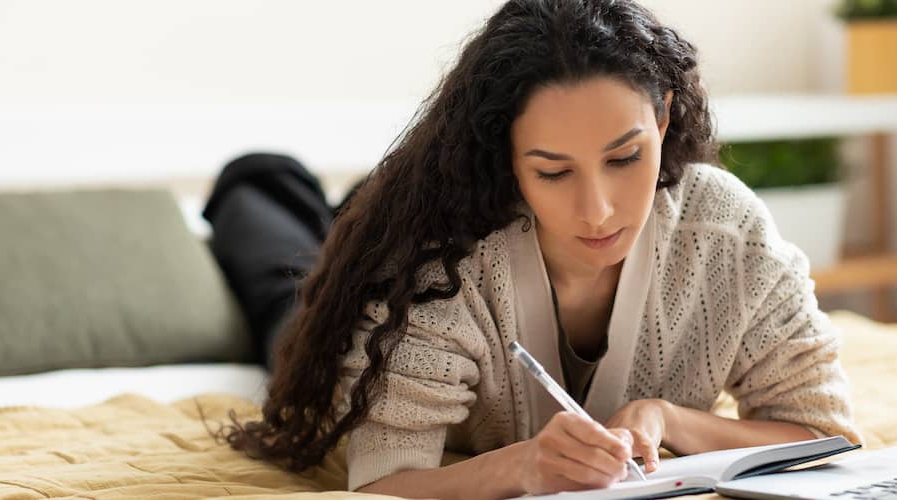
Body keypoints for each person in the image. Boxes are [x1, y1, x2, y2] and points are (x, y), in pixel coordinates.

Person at [217, 0, 862, 498]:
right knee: (289, 285)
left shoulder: (725, 231)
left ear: (662, 119)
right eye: (554, 172)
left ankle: (351, 200)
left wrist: (668, 418)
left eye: (625, 157)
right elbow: (383, 483)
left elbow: (825, 434)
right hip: (343, 311)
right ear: (506, 158)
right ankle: (261, 178)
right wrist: (523, 467)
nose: (599, 210)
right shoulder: (437, 267)